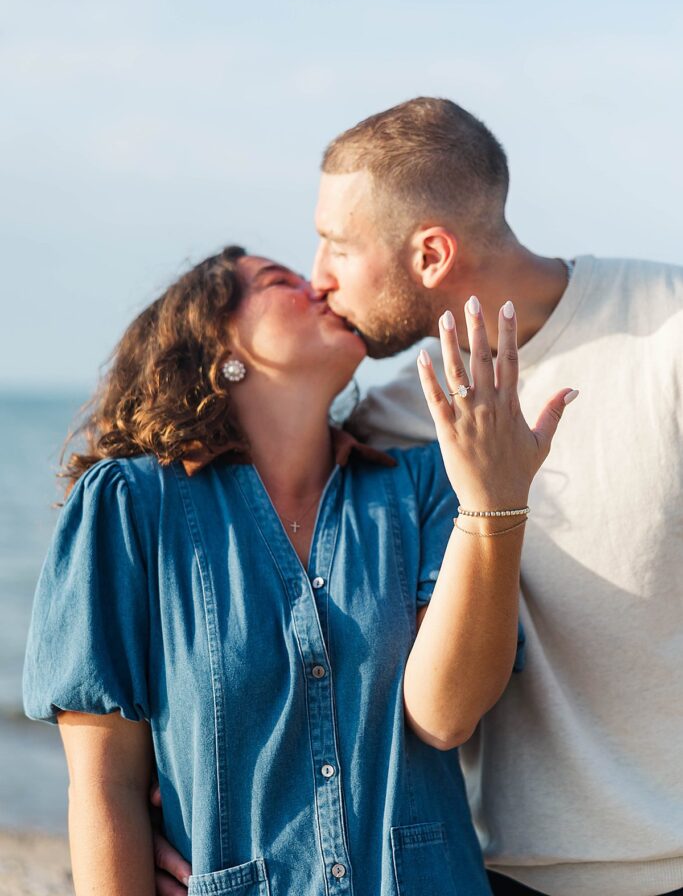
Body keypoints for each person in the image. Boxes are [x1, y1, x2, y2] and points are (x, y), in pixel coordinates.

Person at [23, 246, 574, 896]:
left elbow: (443, 717)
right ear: (217, 343)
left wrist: (492, 503)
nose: (320, 285)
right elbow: (103, 785)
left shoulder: (426, 485)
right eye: (279, 281)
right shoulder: (130, 506)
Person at [307, 97, 683, 896]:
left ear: (432, 254)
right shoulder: (391, 424)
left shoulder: (667, 330)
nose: (318, 277)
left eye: (336, 245)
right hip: (486, 874)